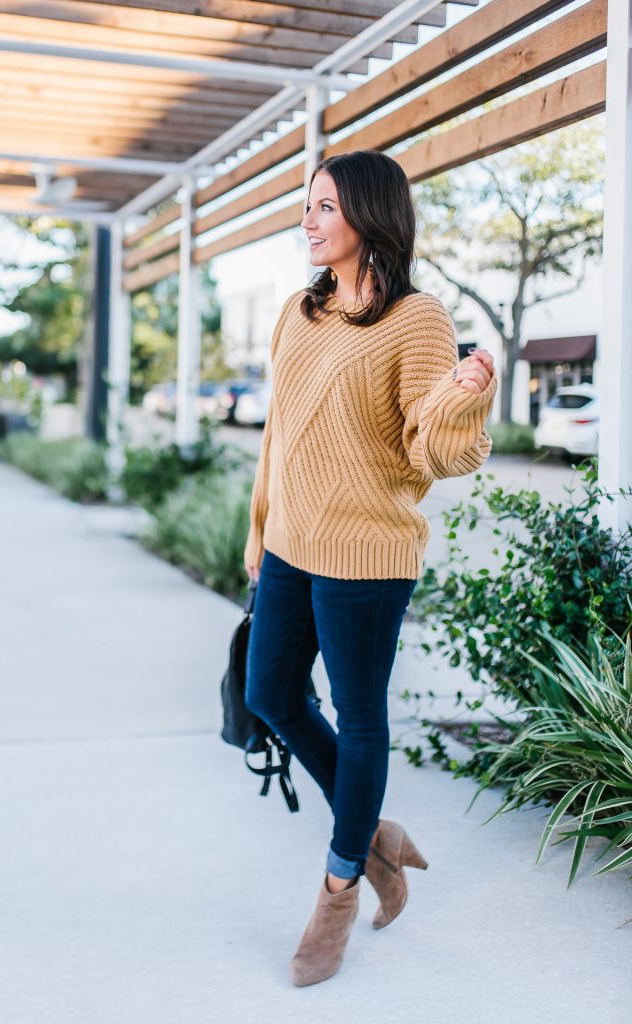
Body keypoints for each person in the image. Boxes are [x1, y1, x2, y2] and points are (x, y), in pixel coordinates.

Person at [242, 149, 497, 987]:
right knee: (267, 692)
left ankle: (340, 887)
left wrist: (462, 394)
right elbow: (279, 435)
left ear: (369, 216)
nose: (308, 221)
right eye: (306, 206)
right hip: (289, 543)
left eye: (324, 207)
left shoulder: (417, 319)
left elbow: (432, 442)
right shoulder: (298, 312)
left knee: (358, 718)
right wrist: (260, 532)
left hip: (365, 553)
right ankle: (377, 836)